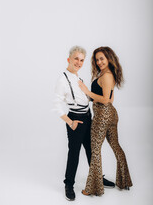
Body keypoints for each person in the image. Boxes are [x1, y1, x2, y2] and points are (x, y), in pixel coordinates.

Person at [54, 46, 115, 201]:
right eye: (76, 59)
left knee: (91, 150)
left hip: (88, 118)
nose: (79, 62)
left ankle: (98, 178)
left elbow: (85, 99)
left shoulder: (78, 78)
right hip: (76, 119)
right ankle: (69, 185)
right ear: (69, 59)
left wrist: (107, 98)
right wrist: (70, 122)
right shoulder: (63, 80)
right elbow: (56, 105)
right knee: (73, 154)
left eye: (82, 60)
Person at [78, 46, 133, 196]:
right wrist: (86, 97)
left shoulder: (107, 75)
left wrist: (86, 91)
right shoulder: (107, 73)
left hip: (103, 116)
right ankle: (124, 181)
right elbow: (109, 97)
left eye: (102, 58)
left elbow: (106, 100)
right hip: (111, 115)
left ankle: (92, 188)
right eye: (97, 59)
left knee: (95, 150)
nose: (99, 62)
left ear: (109, 58)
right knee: (115, 146)